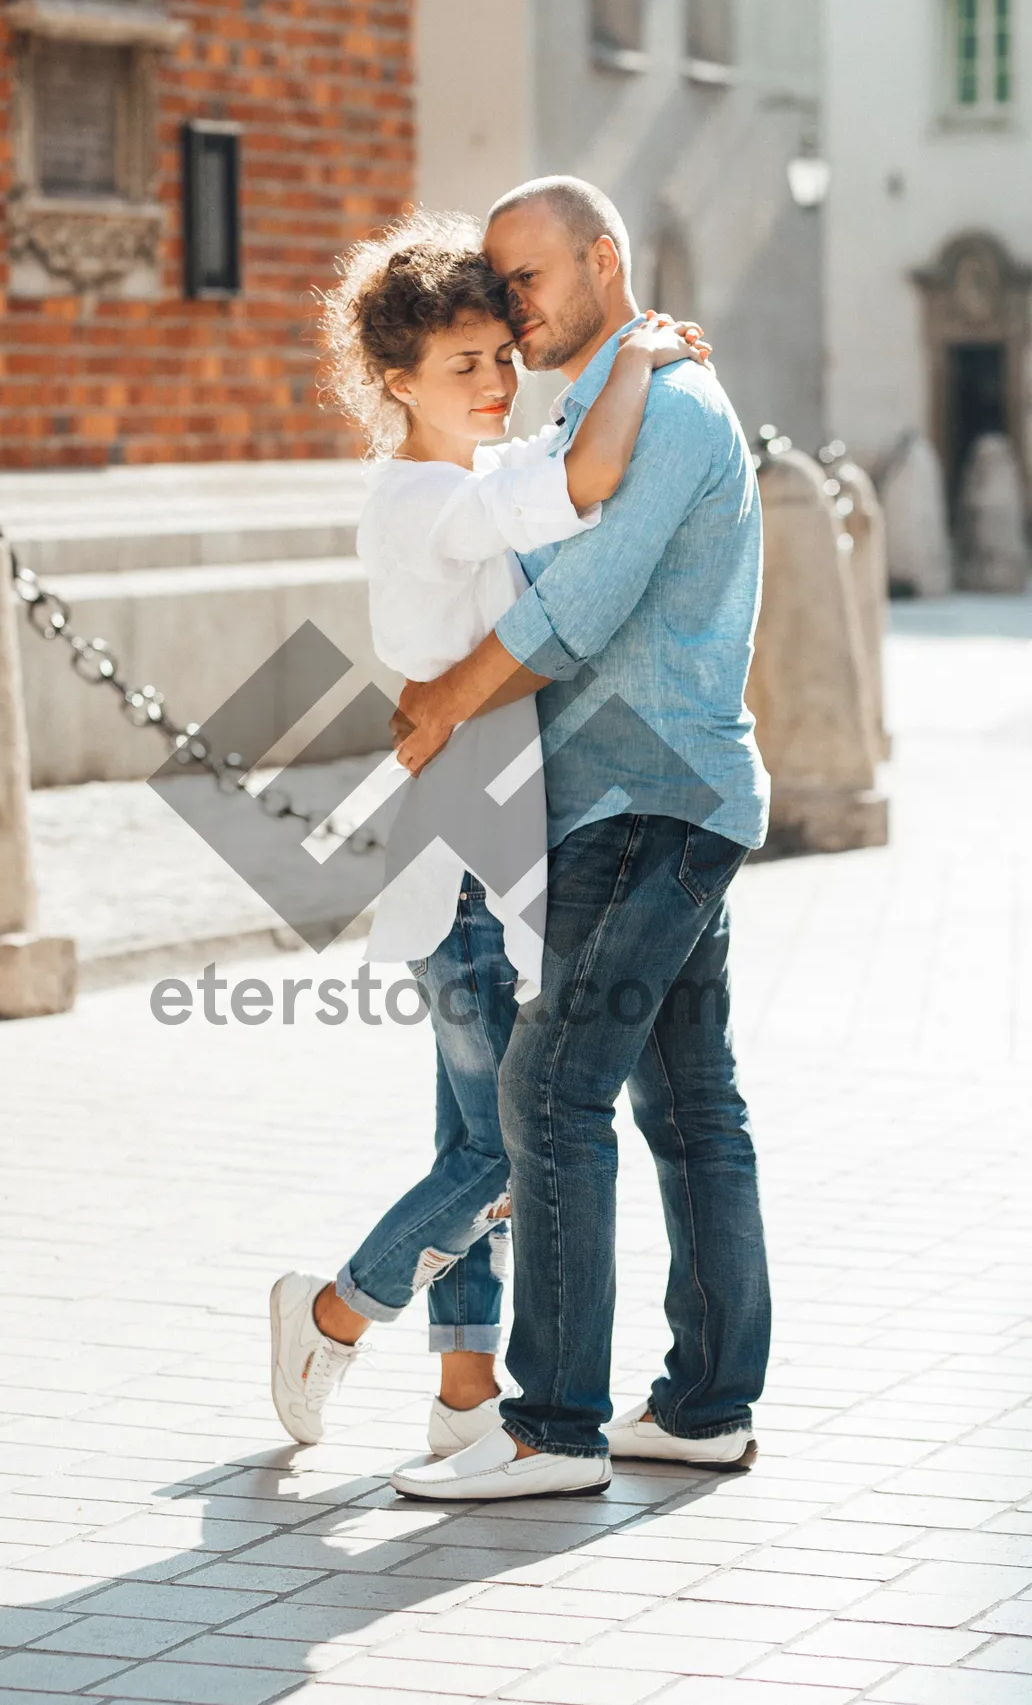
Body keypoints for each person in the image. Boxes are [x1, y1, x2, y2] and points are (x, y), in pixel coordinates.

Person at [269, 209, 710, 1458]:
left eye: (502, 358)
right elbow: (583, 482)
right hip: (463, 866)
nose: (497, 382)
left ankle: (464, 1399)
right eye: (464, 366)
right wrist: (637, 358)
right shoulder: (423, 498)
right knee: (509, 1151)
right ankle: (331, 1313)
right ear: (395, 383)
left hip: (487, 859)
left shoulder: (457, 485)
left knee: (476, 1139)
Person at [389, 177, 772, 1503]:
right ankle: (706, 1406)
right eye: (496, 285)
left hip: (646, 809)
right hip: (659, 803)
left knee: (550, 1095)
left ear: (604, 260)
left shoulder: (662, 404)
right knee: (690, 1108)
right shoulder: (610, 397)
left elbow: (573, 614)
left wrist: (439, 698)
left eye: (529, 277)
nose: (510, 306)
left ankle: (552, 1426)